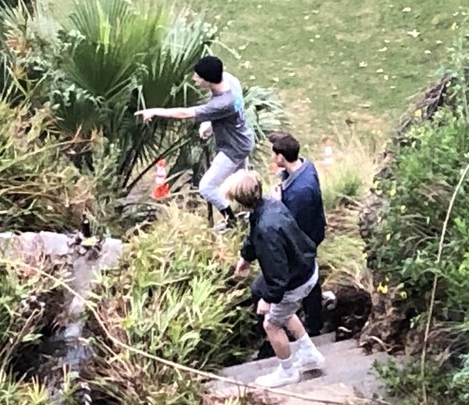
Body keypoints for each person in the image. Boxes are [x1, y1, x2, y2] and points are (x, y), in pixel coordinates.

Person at [224, 170, 325, 388]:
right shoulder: (269, 205)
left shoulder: (266, 230)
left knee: (272, 323)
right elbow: (253, 237)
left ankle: (287, 371)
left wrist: (268, 299)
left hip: (295, 280)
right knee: (281, 309)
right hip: (306, 267)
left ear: (240, 201)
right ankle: (309, 353)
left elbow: (277, 273)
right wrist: (245, 257)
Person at [135, 55, 255, 228]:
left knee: (206, 187)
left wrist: (155, 111)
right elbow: (224, 114)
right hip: (243, 138)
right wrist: (209, 124)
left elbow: (185, 113)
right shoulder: (230, 80)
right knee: (243, 187)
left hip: (234, 148)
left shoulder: (223, 103)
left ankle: (231, 220)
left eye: (198, 77)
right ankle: (251, 213)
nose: (194, 79)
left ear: (208, 80)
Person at [269, 132, 327, 336]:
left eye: (274, 154)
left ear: (281, 157)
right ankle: (313, 317)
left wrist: (277, 202)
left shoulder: (299, 193)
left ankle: (313, 324)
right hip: (313, 231)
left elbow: (291, 224)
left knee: (306, 275)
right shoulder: (306, 166)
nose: (272, 158)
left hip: (305, 239)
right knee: (309, 274)